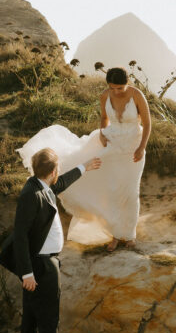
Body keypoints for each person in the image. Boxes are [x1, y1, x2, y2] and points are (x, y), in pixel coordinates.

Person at [0, 147, 101, 333]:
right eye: (57, 170)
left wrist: (84, 167)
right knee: (47, 322)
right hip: (40, 267)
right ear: (52, 171)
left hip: (38, 265)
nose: (58, 174)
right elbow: (20, 236)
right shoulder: (30, 195)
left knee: (32, 320)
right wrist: (27, 273)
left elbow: (59, 184)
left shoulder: (39, 185)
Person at [16, 67, 151, 251]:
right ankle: (115, 234)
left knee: (130, 192)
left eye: (120, 88)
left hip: (133, 149)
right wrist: (102, 134)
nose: (116, 91)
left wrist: (142, 148)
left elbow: (148, 123)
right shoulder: (105, 95)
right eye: (112, 88)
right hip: (111, 145)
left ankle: (129, 235)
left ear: (127, 84)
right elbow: (104, 118)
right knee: (112, 191)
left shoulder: (137, 95)